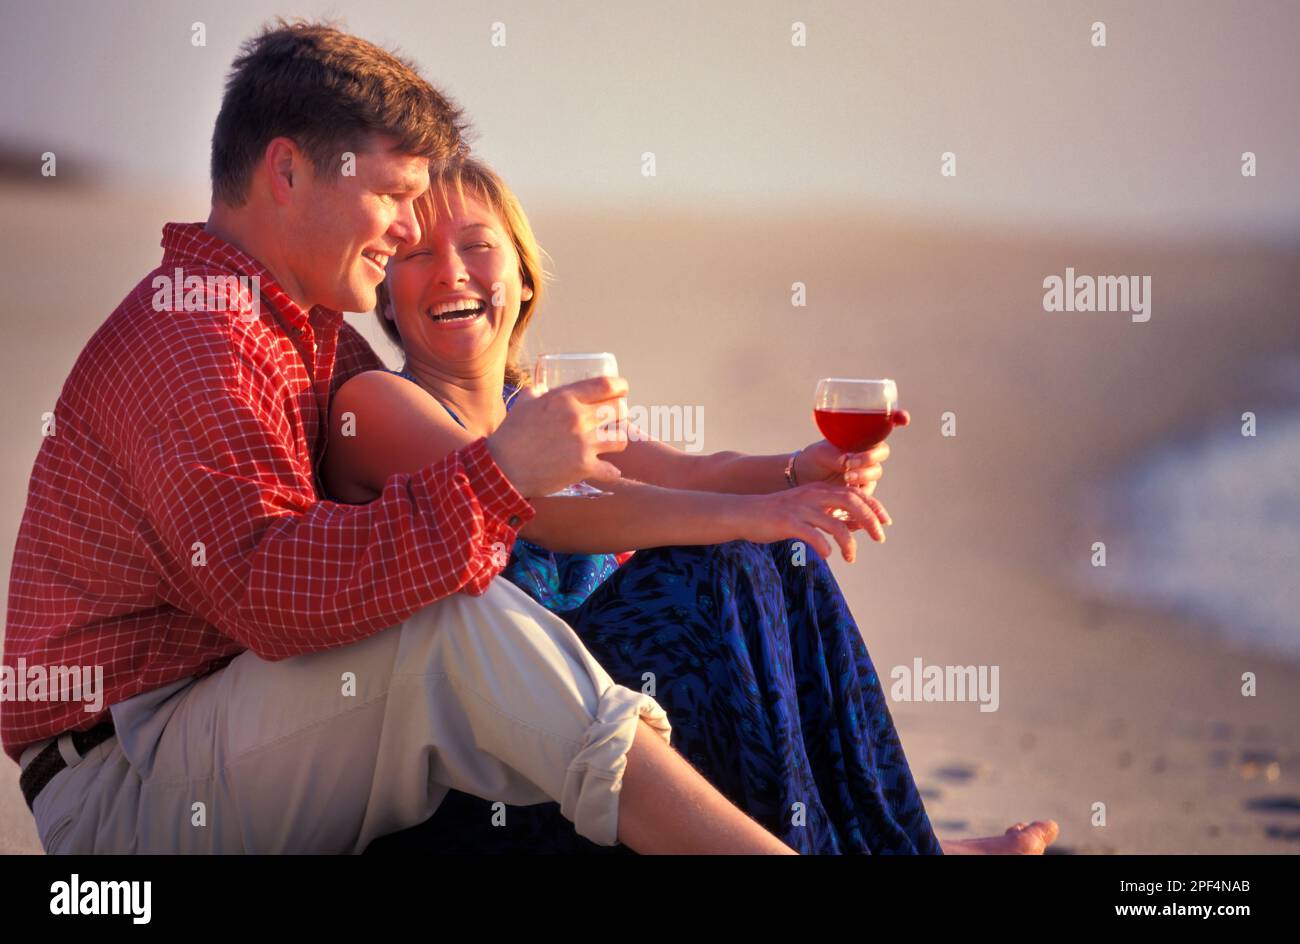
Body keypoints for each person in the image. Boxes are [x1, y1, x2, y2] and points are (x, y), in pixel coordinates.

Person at [1, 20, 802, 855]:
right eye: (390, 195)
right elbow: (269, 591)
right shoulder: (196, 341)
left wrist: (778, 480)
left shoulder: (299, 327)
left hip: (224, 729)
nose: (402, 227)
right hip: (123, 785)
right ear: (286, 170)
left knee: (507, 625)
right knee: (447, 632)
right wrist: (497, 478)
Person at [322, 157, 1061, 855]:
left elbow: (689, 472)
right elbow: (545, 517)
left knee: (781, 555)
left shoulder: (539, 408)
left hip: (621, 746)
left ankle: (895, 844)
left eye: (478, 246)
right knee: (723, 566)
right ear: (385, 290)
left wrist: (804, 470)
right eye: (418, 254)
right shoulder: (380, 406)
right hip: (501, 776)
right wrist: (750, 519)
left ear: (521, 274)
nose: (451, 270)